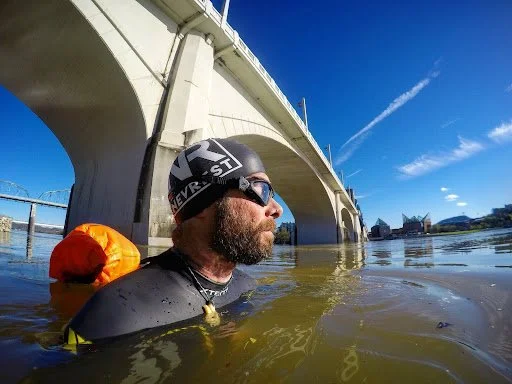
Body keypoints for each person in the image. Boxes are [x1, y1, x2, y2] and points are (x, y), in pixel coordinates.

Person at [64, 138, 283, 343]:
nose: (277, 209)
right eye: (261, 189)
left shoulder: (246, 285)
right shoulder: (115, 313)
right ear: (204, 204)